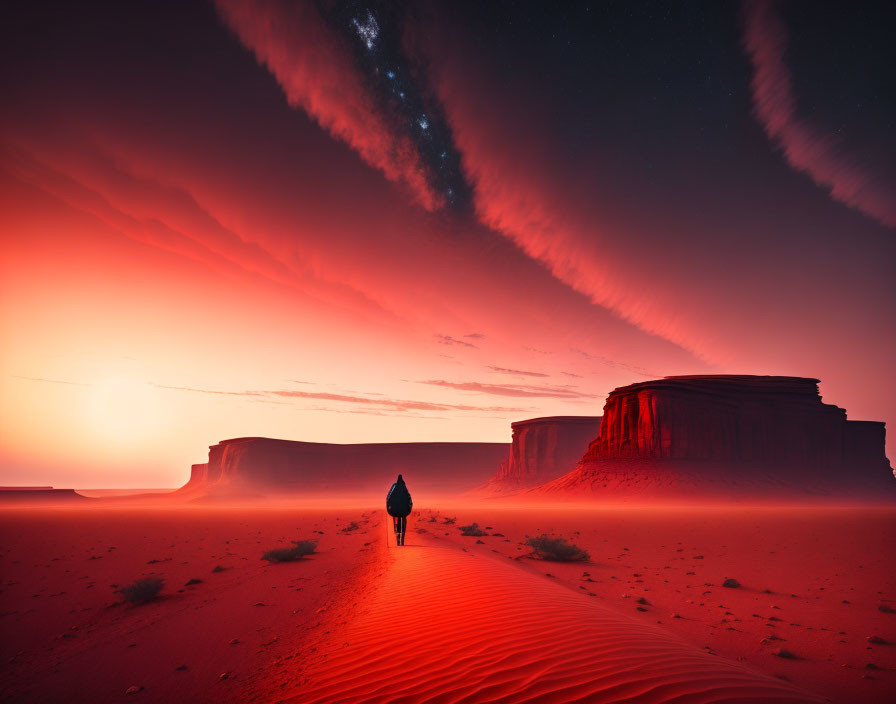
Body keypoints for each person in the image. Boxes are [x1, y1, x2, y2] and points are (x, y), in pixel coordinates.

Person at [386, 474, 412, 546]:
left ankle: (397, 539)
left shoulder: (394, 486)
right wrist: (408, 509)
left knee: (396, 523)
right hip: (404, 511)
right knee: (403, 523)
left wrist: (389, 507)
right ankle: (402, 539)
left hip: (395, 510)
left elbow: (388, 498)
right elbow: (409, 499)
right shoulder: (404, 488)